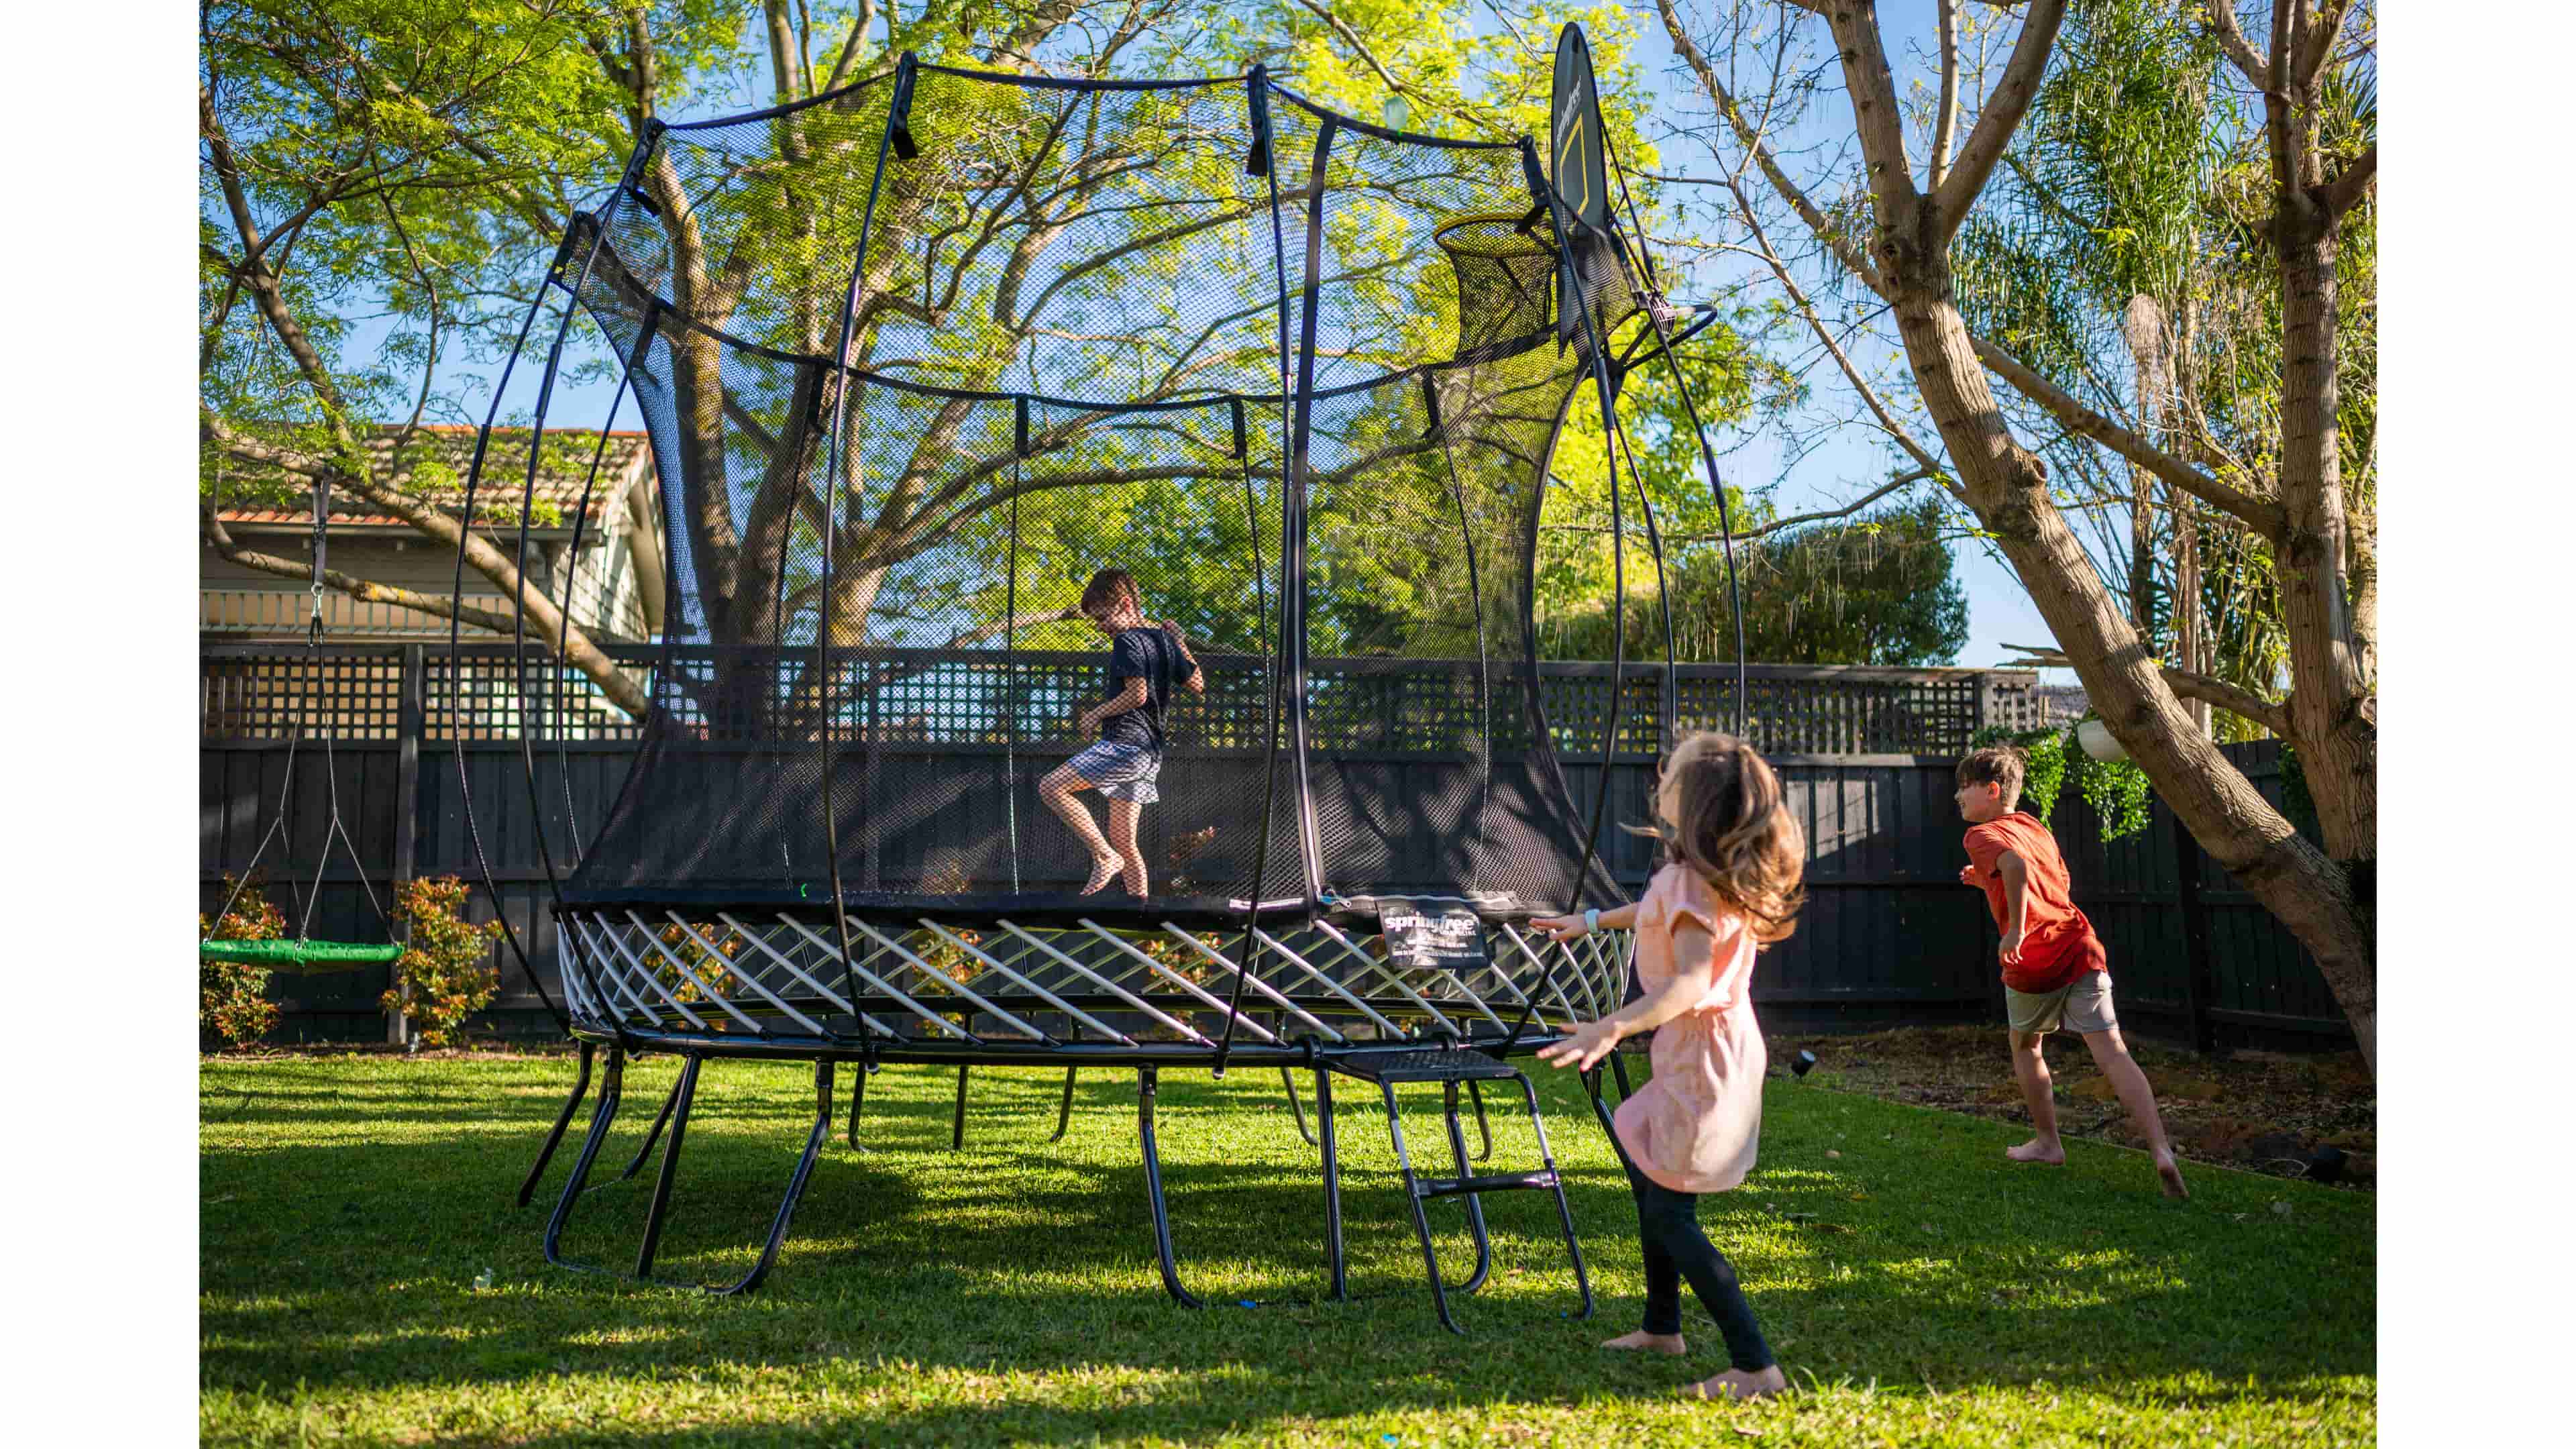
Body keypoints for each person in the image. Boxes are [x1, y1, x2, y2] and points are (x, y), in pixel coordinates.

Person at [1532, 731, 1801, 1403]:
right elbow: (1655, 912)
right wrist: (1589, 921)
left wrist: (1612, 1025)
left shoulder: (1688, 881)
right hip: (1706, 1052)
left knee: (1671, 1215)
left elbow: (1686, 982)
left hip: (1702, 1058)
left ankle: (1756, 1367)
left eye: (1671, 773)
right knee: (1651, 1185)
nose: (1660, 774)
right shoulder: (1694, 879)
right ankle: (1661, 1327)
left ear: (1693, 803)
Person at [1953, 745, 2189, 1199]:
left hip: (2035, 961)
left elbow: (2016, 868)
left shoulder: (1981, 836)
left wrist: (2016, 932)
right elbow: (2051, 883)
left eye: (1965, 788)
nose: (1959, 797)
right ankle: (2161, 1150)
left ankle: (2048, 1143)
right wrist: (1986, 881)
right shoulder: (2035, 828)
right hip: (2080, 947)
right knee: (2114, 1053)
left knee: (2026, 1043)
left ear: (1992, 790)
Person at [1040, 568, 1205, 896]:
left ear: (1126, 604)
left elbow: (1137, 695)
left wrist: (1094, 715)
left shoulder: (1127, 641)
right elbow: (1198, 684)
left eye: (1104, 618)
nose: (1102, 627)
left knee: (1052, 787)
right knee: (1125, 841)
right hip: (1150, 755)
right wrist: (1181, 643)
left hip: (1126, 746)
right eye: (1097, 622)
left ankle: (1103, 857)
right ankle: (1138, 908)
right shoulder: (1164, 640)